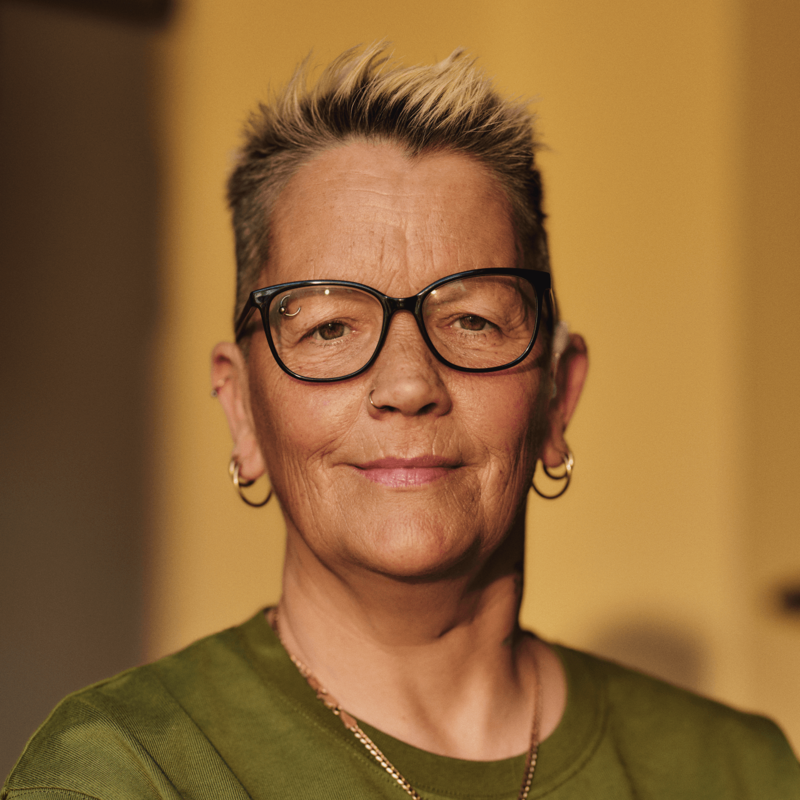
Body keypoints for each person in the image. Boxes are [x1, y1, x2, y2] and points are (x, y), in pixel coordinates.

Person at [3, 43, 799, 800]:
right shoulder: (120, 772)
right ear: (241, 408)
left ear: (558, 397)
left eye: (474, 321)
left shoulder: (738, 773)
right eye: (328, 329)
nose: (409, 384)